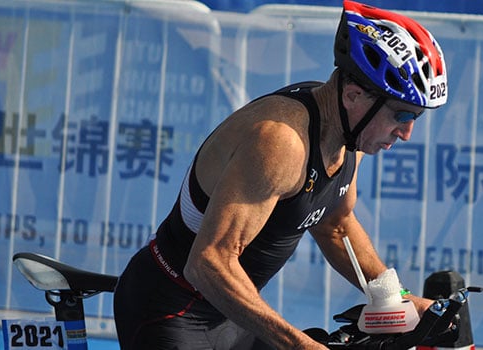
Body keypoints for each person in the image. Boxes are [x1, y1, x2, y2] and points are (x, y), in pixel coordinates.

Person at [112, 1, 449, 349]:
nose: (406, 133)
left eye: (416, 117)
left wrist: (396, 297)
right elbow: (208, 263)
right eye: (403, 116)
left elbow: (336, 224)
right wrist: (300, 345)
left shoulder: (349, 133)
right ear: (353, 95)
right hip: (169, 310)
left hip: (230, 313)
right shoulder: (282, 142)